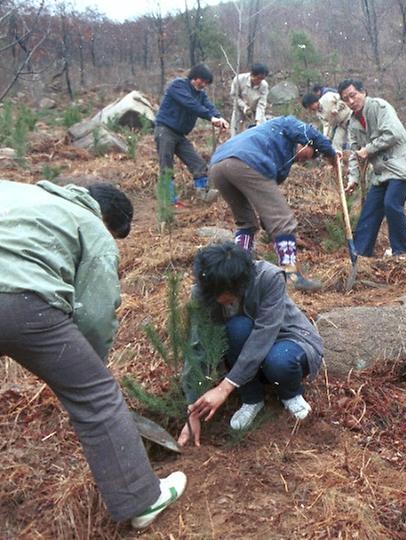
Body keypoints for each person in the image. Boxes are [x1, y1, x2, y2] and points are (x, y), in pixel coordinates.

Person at [0, 179, 186, 529]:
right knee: (96, 396)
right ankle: (142, 499)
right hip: (19, 300)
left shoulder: (19, 191)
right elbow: (96, 315)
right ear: (108, 222)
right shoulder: (92, 226)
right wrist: (88, 368)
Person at [178, 243, 324, 445]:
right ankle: (252, 398)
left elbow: (264, 333)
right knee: (237, 327)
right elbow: (197, 348)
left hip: (287, 338)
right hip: (244, 348)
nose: (219, 299)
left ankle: (289, 393)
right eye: (214, 292)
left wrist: (223, 388)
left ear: (239, 284)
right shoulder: (204, 292)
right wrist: (192, 409)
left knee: (280, 361)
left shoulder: (268, 277)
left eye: (223, 292)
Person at [208, 115, 338, 291]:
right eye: (310, 155)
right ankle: (292, 276)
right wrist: (330, 153)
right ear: (305, 144)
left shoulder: (273, 149)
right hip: (244, 161)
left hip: (218, 165)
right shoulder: (286, 124)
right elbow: (311, 133)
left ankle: (239, 274)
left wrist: (268, 220)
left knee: (246, 223)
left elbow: (264, 201)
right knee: (284, 221)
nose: (305, 160)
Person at [339, 78, 406, 258]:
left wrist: (369, 149)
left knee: (391, 204)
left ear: (363, 92)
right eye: (346, 99)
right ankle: (359, 255)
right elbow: (354, 154)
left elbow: (393, 133)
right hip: (381, 172)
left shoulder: (379, 107)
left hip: (401, 166)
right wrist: (353, 178)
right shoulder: (352, 123)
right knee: (370, 210)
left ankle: (401, 252)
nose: (351, 102)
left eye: (353, 95)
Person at [154, 64, 229, 205]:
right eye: (203, 81)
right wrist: (210, 118)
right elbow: (190, 104)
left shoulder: (201, 94)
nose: (204, 85)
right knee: (166, 165)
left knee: (198, 164)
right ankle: (169, 202)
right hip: (165, 130)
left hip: (180, 134)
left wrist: (219, 117)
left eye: (206, 83)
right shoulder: (177, 86)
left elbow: (208, 106)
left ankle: (202, 195)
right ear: (194, 77)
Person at [229, 63, 270, 137]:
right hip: (239, 108)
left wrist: (258, 120)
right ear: (252, 74)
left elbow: (261, 104)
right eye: (258, 78)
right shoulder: (239, 79)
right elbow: (234, 96)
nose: (259, 81)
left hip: (255, 110)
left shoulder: (264, 86)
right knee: (235, 131)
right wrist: (244, 107)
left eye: (262, 79)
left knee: (263, 130)